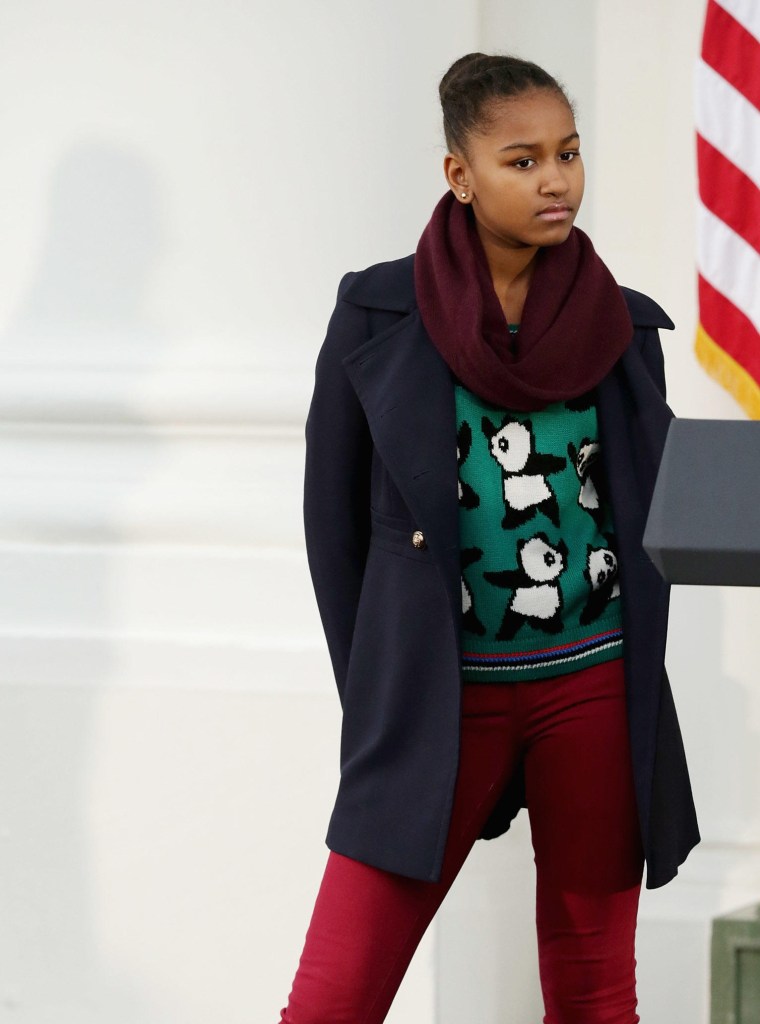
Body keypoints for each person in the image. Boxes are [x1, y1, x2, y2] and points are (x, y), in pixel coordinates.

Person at [277, 52, 700, 1024]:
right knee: (334, 996)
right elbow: (332, 531)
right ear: (459, 175)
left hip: (594, 684)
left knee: (597, 997)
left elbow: (652, 522)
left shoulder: (621, 329)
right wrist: (387, 688)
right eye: (521, 160)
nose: (554, 180)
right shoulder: (377, 314)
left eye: (568, 153)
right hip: (439, 696)